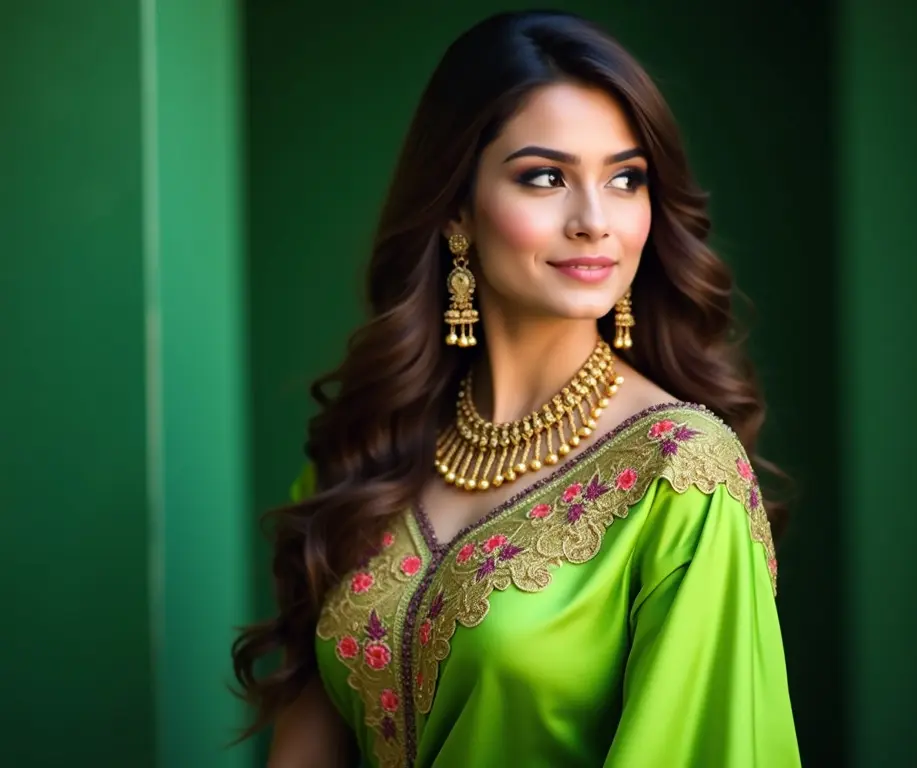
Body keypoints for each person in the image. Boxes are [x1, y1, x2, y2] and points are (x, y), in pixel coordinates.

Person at [232, 10, 801, 768]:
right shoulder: (367, 454)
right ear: (458, 209)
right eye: (545, 177)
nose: (595, 221)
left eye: (625, 179)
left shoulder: (684, 478)